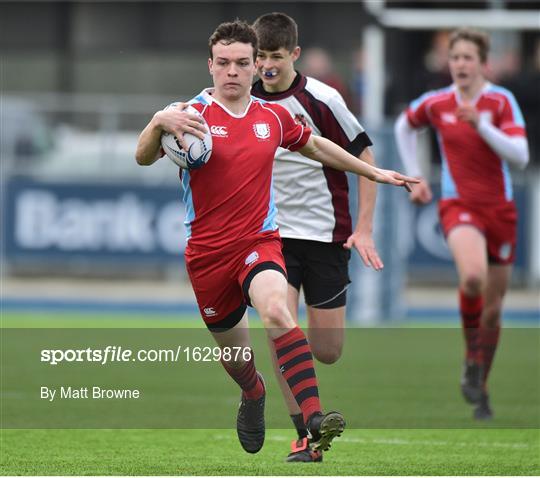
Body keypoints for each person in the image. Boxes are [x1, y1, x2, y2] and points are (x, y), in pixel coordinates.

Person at [136, 20, 416, 457]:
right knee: (238, 361)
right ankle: (253, 393)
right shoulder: (188, 114)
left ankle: (314, 420)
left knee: (277, 311)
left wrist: (372, 171)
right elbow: (143, 156)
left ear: (253, 68)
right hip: (207, 256)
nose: (233, 71)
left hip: (259, 242)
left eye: (242, 63)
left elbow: (319, 147)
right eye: (224, 63)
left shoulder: (273, 116)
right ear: (210, 65)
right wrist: (156, 122)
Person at [250, 12, 381, 463]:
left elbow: (364, 155)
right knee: (277, 324)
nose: (266, 66)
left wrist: (363, 228)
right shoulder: (242, 98)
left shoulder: (322, 99)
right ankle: (307, 435)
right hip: (272, 236)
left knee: (327, 351)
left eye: (276, 57)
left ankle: (302, 398)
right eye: (260, 57)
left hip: (327, 236)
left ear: (295, 55)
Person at [394, 28, 529, 420]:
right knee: (472, 278)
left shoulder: (501, 102)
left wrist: (482, 126)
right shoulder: (438, 103)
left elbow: (520, 155)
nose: (461, 65)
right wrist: (414, 175)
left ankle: (480, 383)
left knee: (493, 310)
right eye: (455, 58)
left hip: (500, 210)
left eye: (468, 58)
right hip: (459, 206)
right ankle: (472, 357)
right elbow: (405, 125)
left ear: (482, 63)